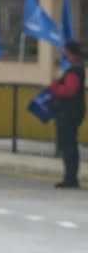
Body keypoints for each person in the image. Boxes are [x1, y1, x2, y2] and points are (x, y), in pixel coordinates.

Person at [50, 40, 85, 188]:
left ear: (71, 53)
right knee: (68, 144)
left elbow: (70, 90)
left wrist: (55, 87)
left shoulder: (74, 71)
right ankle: (70, 177)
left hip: (69, 112)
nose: (64, 54)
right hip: (72, 111)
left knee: (68, 145)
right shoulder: (76, 69)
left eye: (65, 52)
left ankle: (70, 178)